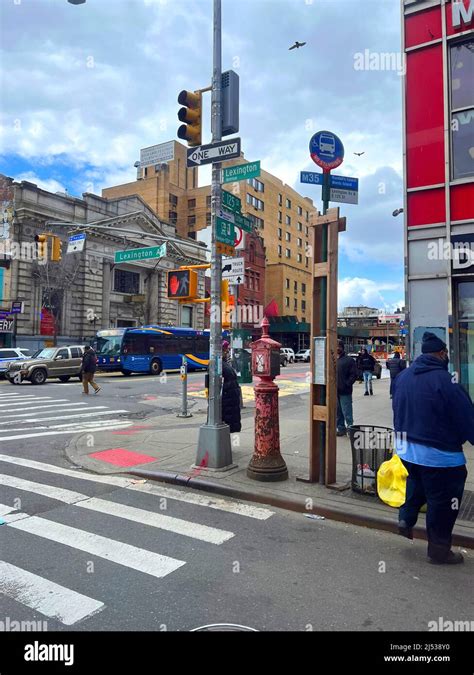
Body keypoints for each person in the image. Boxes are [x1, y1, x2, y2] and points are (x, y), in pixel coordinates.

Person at [392, 331, 474, 565]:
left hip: (406, 449)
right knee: (443, 501)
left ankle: (406, 518)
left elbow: (397, 407)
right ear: (441, 354)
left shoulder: (403, 377)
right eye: (446, 353)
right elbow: (468, 420)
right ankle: (438, 551)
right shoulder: (448, 382)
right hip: (440, 456)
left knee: (417, 482)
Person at [336, 340, 358, 436]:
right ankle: (341, 428)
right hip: (335, 391)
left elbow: (354, 374)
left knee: (347, 411)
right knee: (338, 412)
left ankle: (350, 429)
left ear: (342, 347)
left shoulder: (349, 360)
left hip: (345, 391)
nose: (336, 348)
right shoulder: (334, 360)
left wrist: (347, 384)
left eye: (338, 346)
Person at [221, 342, 241, 433]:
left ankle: (228, 445)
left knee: (231, 428)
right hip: (227, 401)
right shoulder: (218, 364)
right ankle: (225, 445)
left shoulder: (226, 364)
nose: (228, 351)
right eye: (226, 350)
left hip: (230, 401)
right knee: (227, 426)